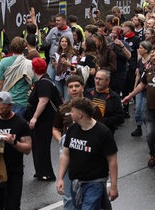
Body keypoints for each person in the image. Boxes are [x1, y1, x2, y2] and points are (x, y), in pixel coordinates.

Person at [56, 97, 119, 209]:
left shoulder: (103, 133)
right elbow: (65, 154)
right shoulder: (72, 130)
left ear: (80, 115)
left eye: (72, 111)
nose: (70, 113)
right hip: (76, 183)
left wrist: (114, 187)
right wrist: (60, 178)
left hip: (95, 184)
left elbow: (112, 160)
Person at [0, 91, 32, 210]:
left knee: (13, 205)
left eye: (4, 109)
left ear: (11, 106)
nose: (1, 111)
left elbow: (28, 149)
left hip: (14, 170)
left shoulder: (20, 123)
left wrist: (13, 142)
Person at [53, 75, 87, 210]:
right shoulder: (62, 108)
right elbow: (55, 129)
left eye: (77, 86)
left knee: (87, 193)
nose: (74, 89)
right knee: (68, 196)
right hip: (67, 154)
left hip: (86, 153)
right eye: (71, 87)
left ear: (82, 87)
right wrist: (61, 140)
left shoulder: (91, 107)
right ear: (67, 90)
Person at [27, 57, 61, 181]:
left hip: (44, 119)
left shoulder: (44, 83)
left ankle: (46, 173)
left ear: (33, 69)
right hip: (44, 119)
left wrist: (34, 117)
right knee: (38, 145)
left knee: (42, 146)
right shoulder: (46, 80)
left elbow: (43, 100)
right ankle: (40, 171)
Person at [0, 37, 35, 117]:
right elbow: (34, 82)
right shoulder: (29, 64)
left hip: (5, 101)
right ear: (24, 47)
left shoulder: (3, 62)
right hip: (22, 101)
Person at [84, 69, 125, 133]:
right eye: (96, 78)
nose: (97, 81)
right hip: (87, 130)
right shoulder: (87, 93)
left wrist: (103, 121)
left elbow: (120, 118)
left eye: (100, 79)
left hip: (105, 132)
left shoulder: (114, 97)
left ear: (107, 81)